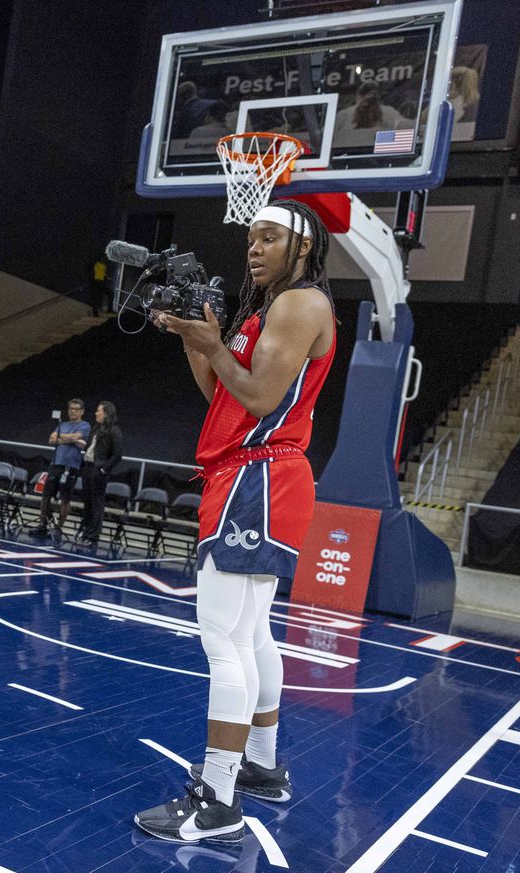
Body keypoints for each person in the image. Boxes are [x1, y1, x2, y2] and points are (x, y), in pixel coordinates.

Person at [133, 200, 336, 844]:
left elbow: (259, 397)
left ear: (302, 247)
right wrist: (200, 344)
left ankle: (217, 799)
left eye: (269, 238)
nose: (254, 248)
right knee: (249, 633)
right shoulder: (267, 308)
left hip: (262, 477)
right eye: (251, 238)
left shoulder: (301, 304)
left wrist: (217, 345)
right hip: (252, 474)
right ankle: (262, 767)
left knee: (221, 635)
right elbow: (224, 396)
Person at [27, 399, 90, 540]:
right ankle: (43, 524)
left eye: (76, 409)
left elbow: (76, 436)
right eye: (71, 408)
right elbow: (51, 440)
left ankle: (58, 528)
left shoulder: (85, 425)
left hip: (71, 466)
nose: (73, 411)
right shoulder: (62, 424)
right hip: (56, 464)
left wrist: (61, 437)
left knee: (65, 499)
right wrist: (70, 439)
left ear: (82, 411)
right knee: (45, 495)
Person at [76, 400, 122, 547]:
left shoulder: (114, 430)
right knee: (87, 503)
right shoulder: (96, 428)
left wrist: (103, 469)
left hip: (98, 470)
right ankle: (86, 532)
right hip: (88, 467)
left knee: (96, 504)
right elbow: (93, 448)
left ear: (106, 413)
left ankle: (93, 536)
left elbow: (118, 454)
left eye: (99, 411)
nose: (96, 413)